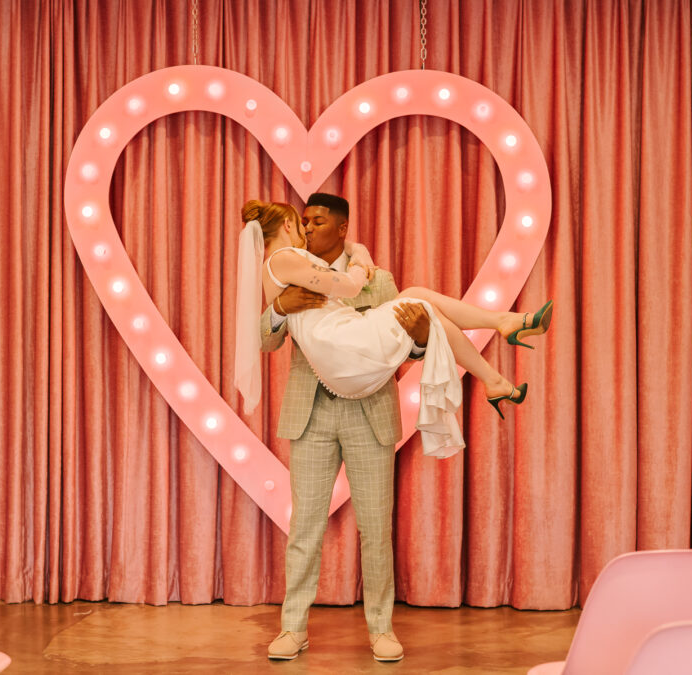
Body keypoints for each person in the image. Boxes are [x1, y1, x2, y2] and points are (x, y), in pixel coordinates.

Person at [236, 194, 551, 662]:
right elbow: (262, 338)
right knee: (304, 526)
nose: (308, 228)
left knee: (375, 528)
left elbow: (409, 336)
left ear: (341, 228)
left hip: (369, 412)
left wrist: (423, 342)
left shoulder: (376, 278)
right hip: (312, 415)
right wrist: (280, 307)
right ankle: (292, 627)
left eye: (317, 222)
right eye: (303, 221)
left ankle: (381, 628)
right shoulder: (286, 270)